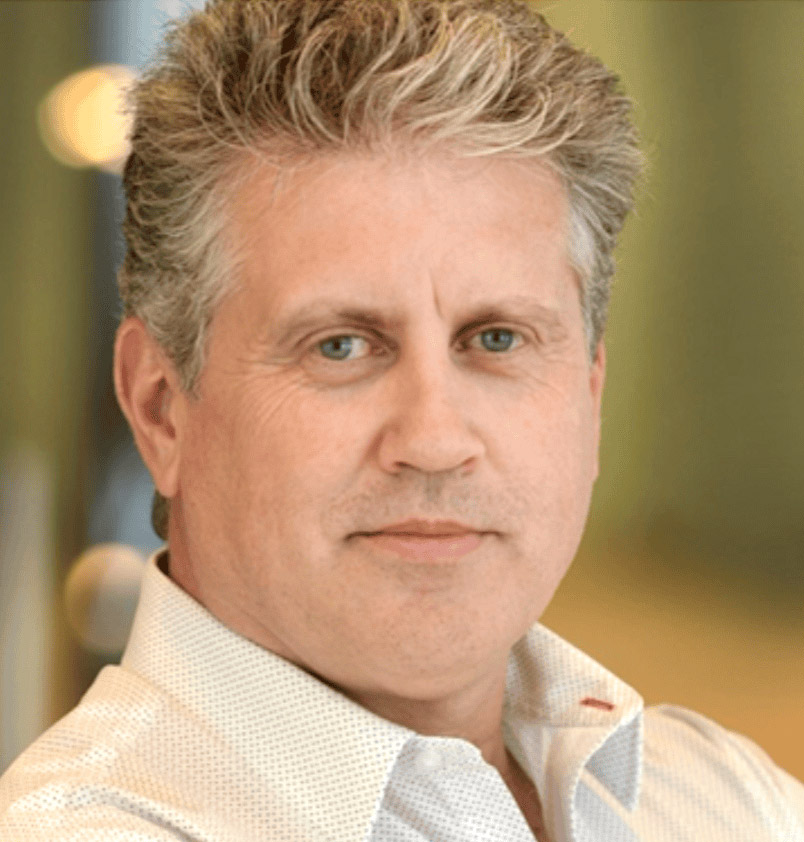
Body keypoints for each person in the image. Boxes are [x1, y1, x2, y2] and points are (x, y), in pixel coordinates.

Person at [1, 1, 802, 839]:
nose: (433, 440)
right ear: (161, 410)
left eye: (496, 339)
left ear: (589, 396)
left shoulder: (726, 798)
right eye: (342, 346)